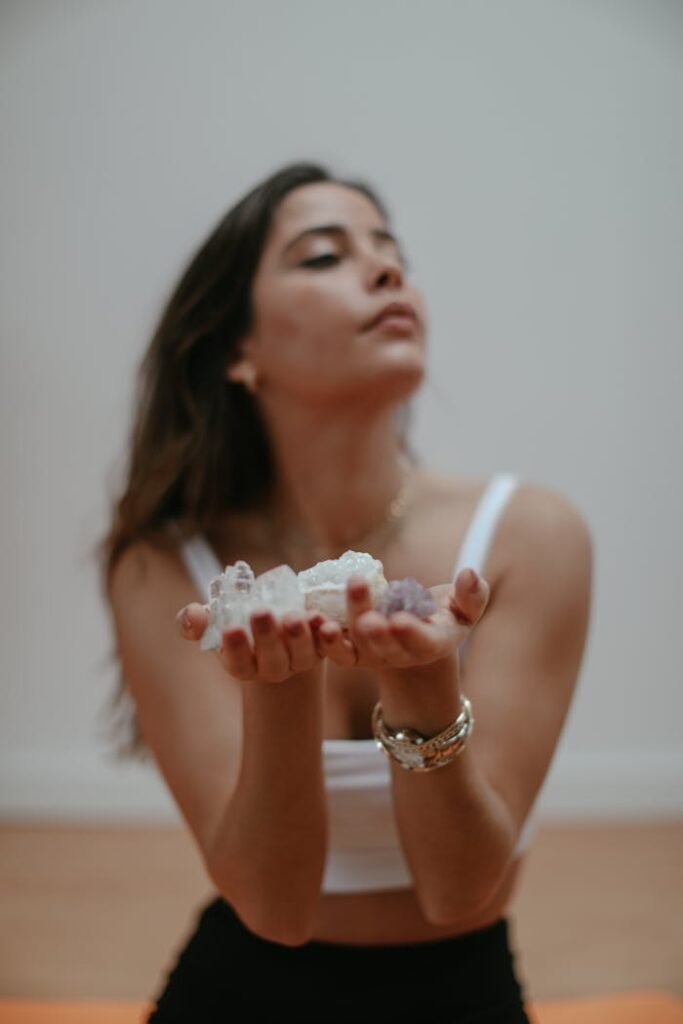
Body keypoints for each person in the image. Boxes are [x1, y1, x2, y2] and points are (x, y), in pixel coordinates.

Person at [98, 161, 592, 1022]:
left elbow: (458, 892)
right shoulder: (163, 565)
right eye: (323, 256)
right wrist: (283, 687)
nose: (387, 270)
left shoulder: (528, 535)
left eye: (389, 250)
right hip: (240, 985)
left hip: (460, 987)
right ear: (238, 351)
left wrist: (422, 687)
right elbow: (275, 911)